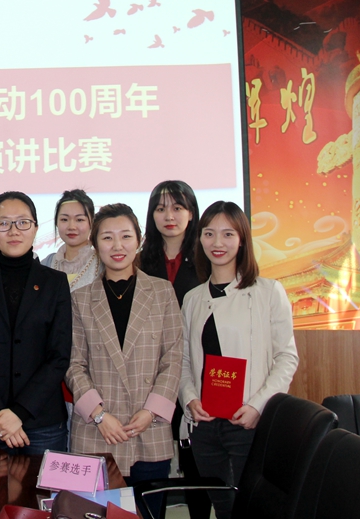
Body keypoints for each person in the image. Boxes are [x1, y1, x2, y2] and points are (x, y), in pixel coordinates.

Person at [179, 201, 298, 519]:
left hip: (248, 422)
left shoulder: (268, 292)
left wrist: (258, 405)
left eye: (228, 234)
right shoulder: (192, 299)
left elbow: (286, 357)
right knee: (222, 507)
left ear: (242, 239)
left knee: (251, 508)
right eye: (209, 233)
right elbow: (183, 360)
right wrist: (189, 398)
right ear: (200, 239)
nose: (217, 242)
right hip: (204, 425)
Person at [0, 191, 72, 514]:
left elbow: (59, 356)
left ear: (36, 228)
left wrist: (18, 413)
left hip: (42, 422)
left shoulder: (55, 282)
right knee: (0, 512)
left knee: (44, 511)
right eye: (4, 223)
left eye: (22, 222)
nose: (13, 231)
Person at [67, 203, 182, 519]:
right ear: (95, 244)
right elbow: (73, 364)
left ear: (139, 240)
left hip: (148, 430)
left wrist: (151, 411)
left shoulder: (162, 292)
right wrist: (100, 415)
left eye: (126, 236)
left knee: (149, 514)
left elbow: (173, 358)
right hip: (96, 433)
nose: (117, 246)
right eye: (107, 238)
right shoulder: (79, 298)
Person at [138, 180, 210, 519]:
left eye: (178, 208)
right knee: (153, 461)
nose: (169, 216)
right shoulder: (139, 260)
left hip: (196, 372)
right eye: (161, 208)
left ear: (191, 213)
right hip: (151, 375)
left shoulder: (207, 258)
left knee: (196, 461)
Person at [41, 189, 100, 292]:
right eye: (64, 219)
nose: (71, 226)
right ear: (56, 223)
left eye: (79, 220)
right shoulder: (46, 264)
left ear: (91, 223)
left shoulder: (102, 264)